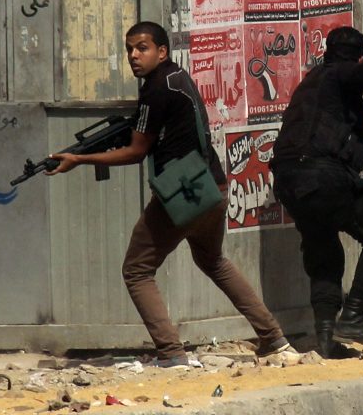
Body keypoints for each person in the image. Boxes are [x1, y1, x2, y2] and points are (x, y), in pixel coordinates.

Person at [45, 21, 294, 365]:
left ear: (162, 51)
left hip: (183, 194)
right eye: (129, 49)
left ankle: (171, 352)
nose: (133, 55)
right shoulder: (176, 77)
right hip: (213, 187)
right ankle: (272, 336)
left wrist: (79, 159)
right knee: (213, 261)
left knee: (136, 269)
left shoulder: (156, 90)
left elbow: (136, 151)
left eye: (142, 48)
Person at [270, 26, 363, 359]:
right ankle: (355, 314)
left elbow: (340, 135)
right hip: (321, 178)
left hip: (292, 183)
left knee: (324, 252)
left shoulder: (316, 86)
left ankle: (326, 339)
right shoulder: (337, 73)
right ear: (358, 58)